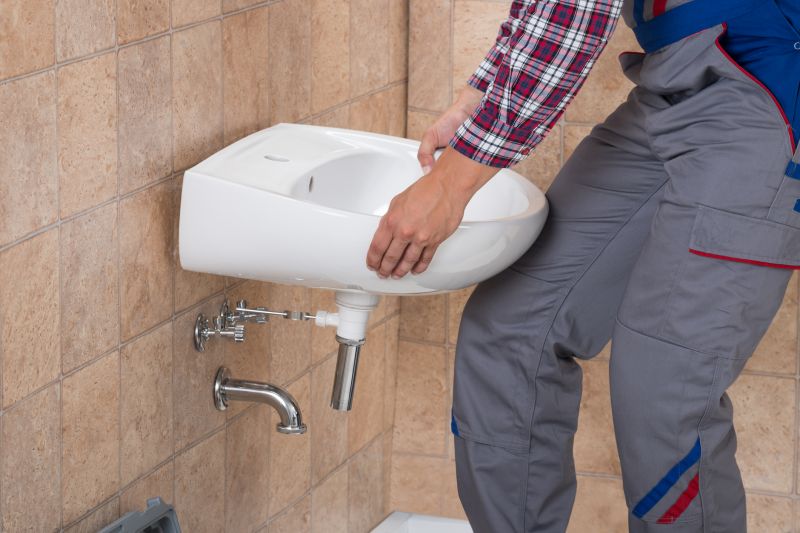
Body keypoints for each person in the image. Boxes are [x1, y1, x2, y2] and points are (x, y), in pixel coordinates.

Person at [366, 0, 800, 531]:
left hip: (772, 92)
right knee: (511, 331)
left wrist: (450, 184)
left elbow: (574, 16)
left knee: (666, 394)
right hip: (678, 80)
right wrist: (475, 97)